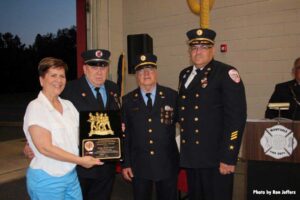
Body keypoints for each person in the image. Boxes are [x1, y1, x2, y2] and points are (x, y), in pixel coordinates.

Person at [24, 49, 120, 200]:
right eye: (53, 76)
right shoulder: (37, 106)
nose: (58, 80)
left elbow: (85, 128)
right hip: (52, 175)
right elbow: (44, 146)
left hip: (71, 174)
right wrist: (31, 142)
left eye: (62, 76)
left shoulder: (67, 105)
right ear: (42, 80)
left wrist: (116, 130)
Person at [177, 28, 247, 200]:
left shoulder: (226, 73)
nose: (198, 51)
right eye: (194, 48)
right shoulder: (185, 74)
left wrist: (229, 157)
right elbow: (183, 111)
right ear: (189, 51)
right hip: (192, 157)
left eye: (203, 47)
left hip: (216, 159)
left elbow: (236, 118)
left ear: (213, 50)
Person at [121, 53, 179, 200]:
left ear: (156, 73)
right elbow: (126, 135)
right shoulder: (127, 101)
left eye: (150, 69)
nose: (146, 74)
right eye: (141, 71)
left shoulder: (172, 96)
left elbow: (186, 125)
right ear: (136, 76)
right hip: (139, 165)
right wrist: (126, 163)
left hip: (167, 163)